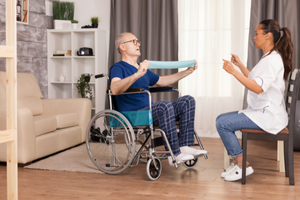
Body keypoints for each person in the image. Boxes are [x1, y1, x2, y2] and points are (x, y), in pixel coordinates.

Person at [110, 32, 207, 165]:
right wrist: (137, 75)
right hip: (133, 114)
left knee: (187, 100)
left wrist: (187, 71)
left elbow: (161, 81)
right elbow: (114, 88)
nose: (138, 44)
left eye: (138, 41)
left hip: (149, 111)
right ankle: (174, 154)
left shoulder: (141, 68)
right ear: (123, 46)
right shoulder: (118, 68)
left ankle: (184, 146)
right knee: (164, 105)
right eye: (133, 41)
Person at [216, 19, 293, 181]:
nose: (254, 37)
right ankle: (239, 163)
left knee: (222, 124)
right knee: (220, 119)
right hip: (263, 111)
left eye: (257, 33)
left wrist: (233, 72)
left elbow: (258, 87)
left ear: (268, 36)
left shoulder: (272, 59)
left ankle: (242, 165)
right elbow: (255, 79)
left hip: (268, 115)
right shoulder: (269, 57)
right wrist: (239, 66)